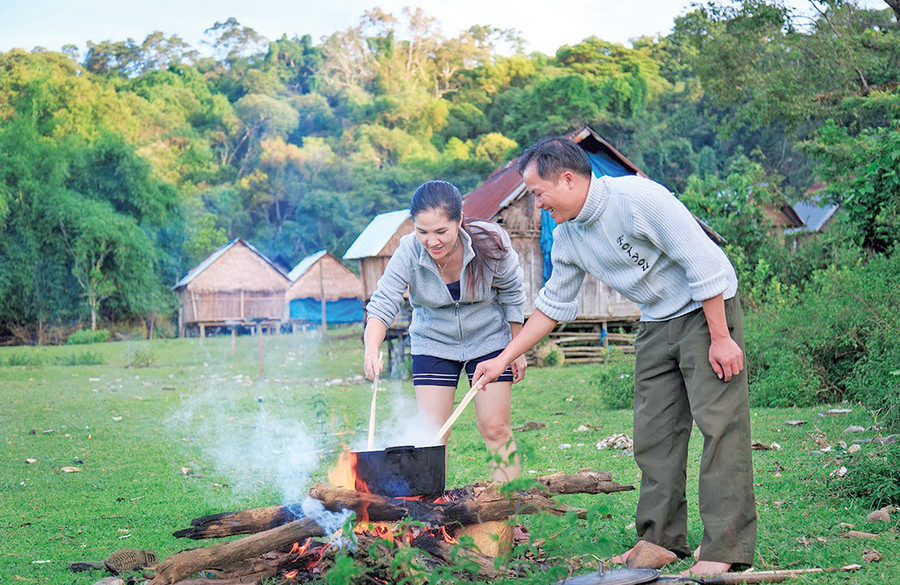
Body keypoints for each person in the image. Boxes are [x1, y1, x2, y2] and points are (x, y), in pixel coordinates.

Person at [472, 138, 756, 574]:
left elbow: (705, 263)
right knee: (654, 434)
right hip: (656, 321)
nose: (536, 204)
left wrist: (720, 337)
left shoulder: (640, 199)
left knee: (721, 428)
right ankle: (659, 539)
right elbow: (553, 304)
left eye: (537, 192)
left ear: (567, 179)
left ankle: (724, 547)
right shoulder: (567, 234)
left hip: (706, 311)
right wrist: (502, 357)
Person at [363, 179, 527, 482]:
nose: (432, 241)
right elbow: (383, 303)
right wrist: (372, 348)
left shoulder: (491, 243)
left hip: (488, 339)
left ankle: (509, 515)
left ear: (460, 220)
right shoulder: (409, 251)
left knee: (495, 427)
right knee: (431, 436)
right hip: (433, 342)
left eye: (441, 232)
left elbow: (513, 293)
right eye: (422, 231)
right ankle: (431, 519)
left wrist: (515, 350)